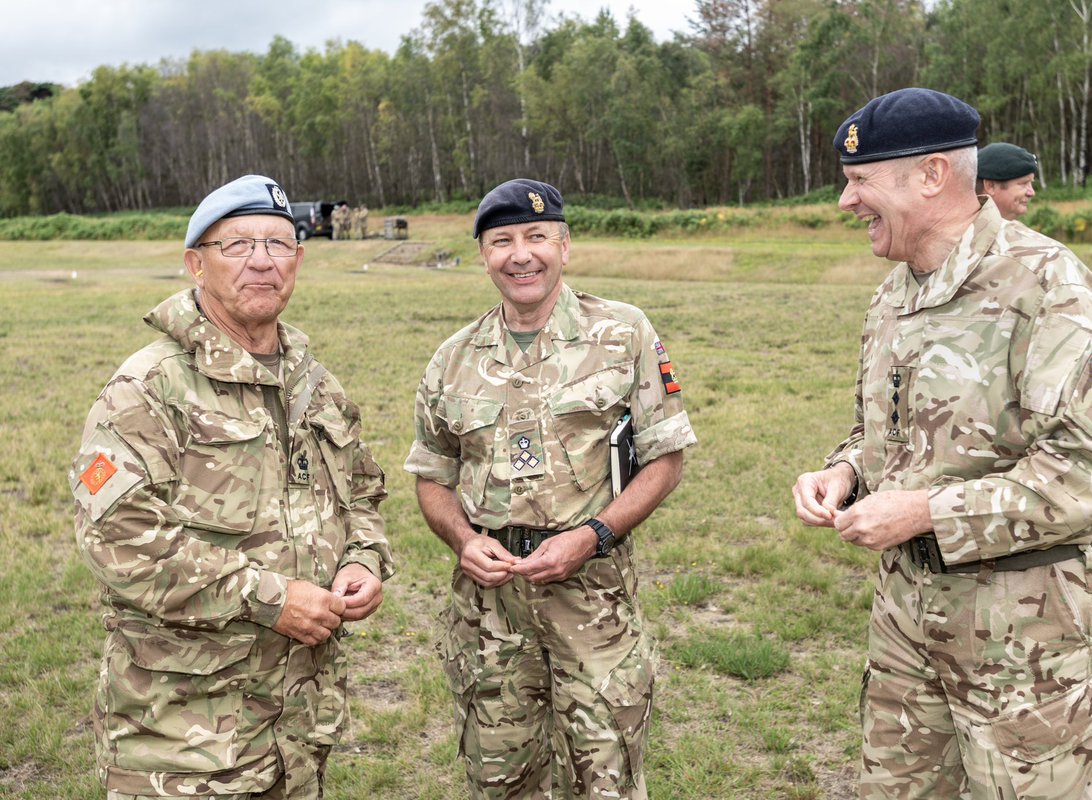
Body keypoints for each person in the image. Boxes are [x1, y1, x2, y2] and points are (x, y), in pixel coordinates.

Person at [792, 89, 1092, 799]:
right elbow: (886, 432)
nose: (845, 201)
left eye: (860, 181)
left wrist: (927, 513)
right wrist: (846, 472)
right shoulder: (894, 294)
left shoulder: (1049, 288)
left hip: (1026, 640)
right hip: (906, 622)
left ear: (930, 176)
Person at [70, 174, 394, 799]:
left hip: (297, 722)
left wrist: (363, 559)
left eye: (278, 245)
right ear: (195, 263)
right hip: (185, 735)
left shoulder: (314, 385)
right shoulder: (149, 387)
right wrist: (272, 598)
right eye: (238, 245)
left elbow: (362, 494)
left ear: (298, 259)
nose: (262, 262)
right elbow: (119, 540)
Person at [404, 178, 696, 799]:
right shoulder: (453, 358)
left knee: (608, 778)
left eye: (537, 237)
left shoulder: (623, 333)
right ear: (483, 255)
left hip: (592, 601)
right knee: (502, 780)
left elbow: (665, 460)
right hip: (489, 612)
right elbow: (432, 474)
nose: (521, 254)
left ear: (565, 246)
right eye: (502, 241)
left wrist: (593, 536)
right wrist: (462, 539)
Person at [976, 142, 1038, 220]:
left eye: (1031, 183)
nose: (1031, 193)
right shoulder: (964, 230)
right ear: (990, 186)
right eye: (1023, 183)